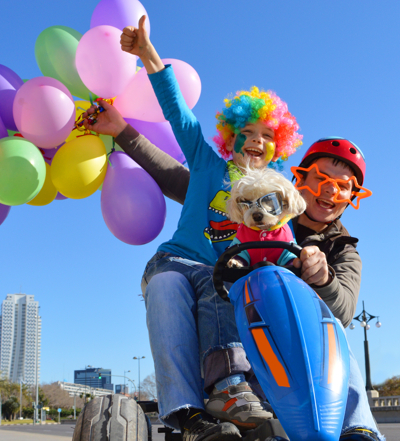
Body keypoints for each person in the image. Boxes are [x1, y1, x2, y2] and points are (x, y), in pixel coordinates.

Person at [86, 92, 381, 440]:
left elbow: (344, 309)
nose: (330, 192)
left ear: (352, 198)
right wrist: (121, 130)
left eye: (344, 188)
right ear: (298, 180)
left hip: (293, 350)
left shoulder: (342, 250)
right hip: (233, 329)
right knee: (169, 284)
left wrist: (323, 274)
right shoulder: (255, 202)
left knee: (330, 322)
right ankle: (191, 414)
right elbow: (177, 176)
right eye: (321, 178)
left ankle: (356, 428)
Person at [87, 15, 302, 441]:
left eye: (265, 134)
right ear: (230, 138)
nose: (255, 140)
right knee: (168, 287)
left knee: (225, 280)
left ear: (279, 145)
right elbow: (178, 115)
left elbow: (284, 251)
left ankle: (231, 390)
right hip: (175, 260)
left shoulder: (277, 198)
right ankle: (185, 411)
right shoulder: (207, 165)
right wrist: (148, 53)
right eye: (246, 132)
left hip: (223, 276)